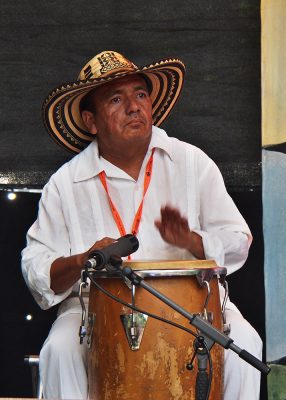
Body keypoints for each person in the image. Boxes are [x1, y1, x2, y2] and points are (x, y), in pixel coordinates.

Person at [21, 51, 262, 399]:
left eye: (140, 94)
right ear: (91, 121)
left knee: (246, 344)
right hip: (94, 307)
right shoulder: (65, 183)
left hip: (193, 302)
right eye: (116, 99)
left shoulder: (192, 162)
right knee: (59, 349)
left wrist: (193, 241)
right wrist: (83, 260)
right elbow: (36, 271)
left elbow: (239, 240)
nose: (134, 107)